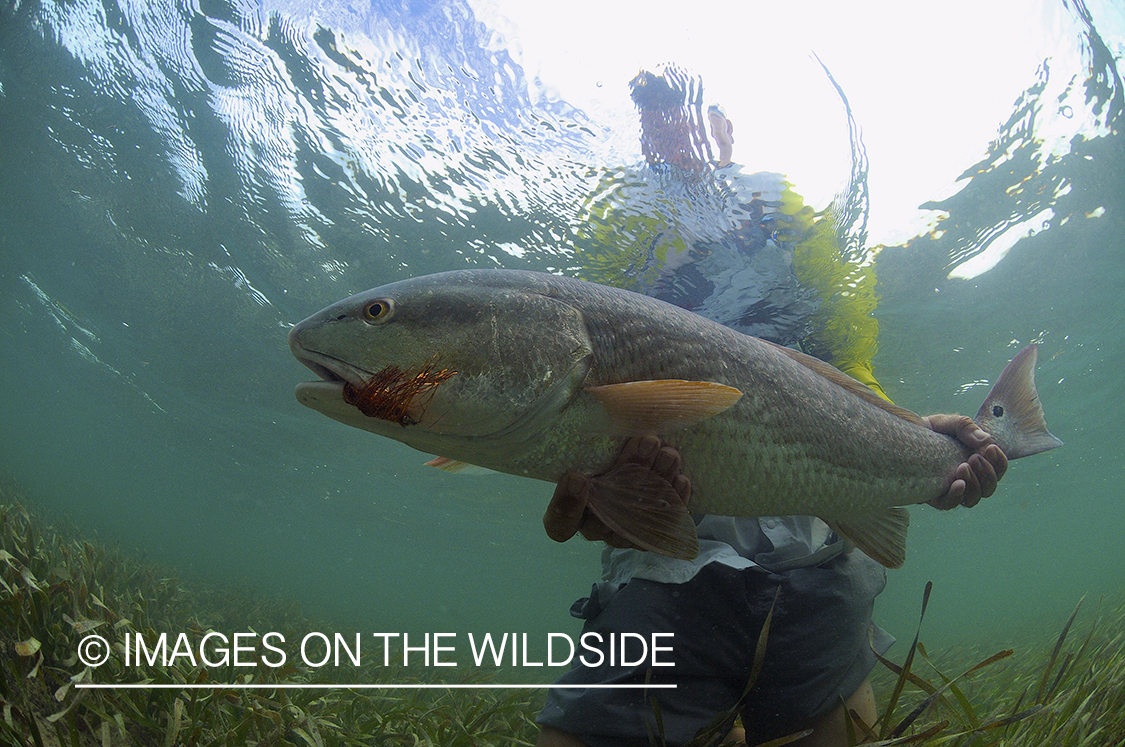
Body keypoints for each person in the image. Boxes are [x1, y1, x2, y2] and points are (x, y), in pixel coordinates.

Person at [533, 66, 1008, 747]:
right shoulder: (619, 226)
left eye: (689, 119)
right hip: (662, 547)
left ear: (727, 130)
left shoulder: (788, 211)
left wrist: (914, 437)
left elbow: (848, 367)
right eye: (655, 126)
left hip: (813, 539)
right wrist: (591, 488)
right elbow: (583, 385)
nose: (674, 139)